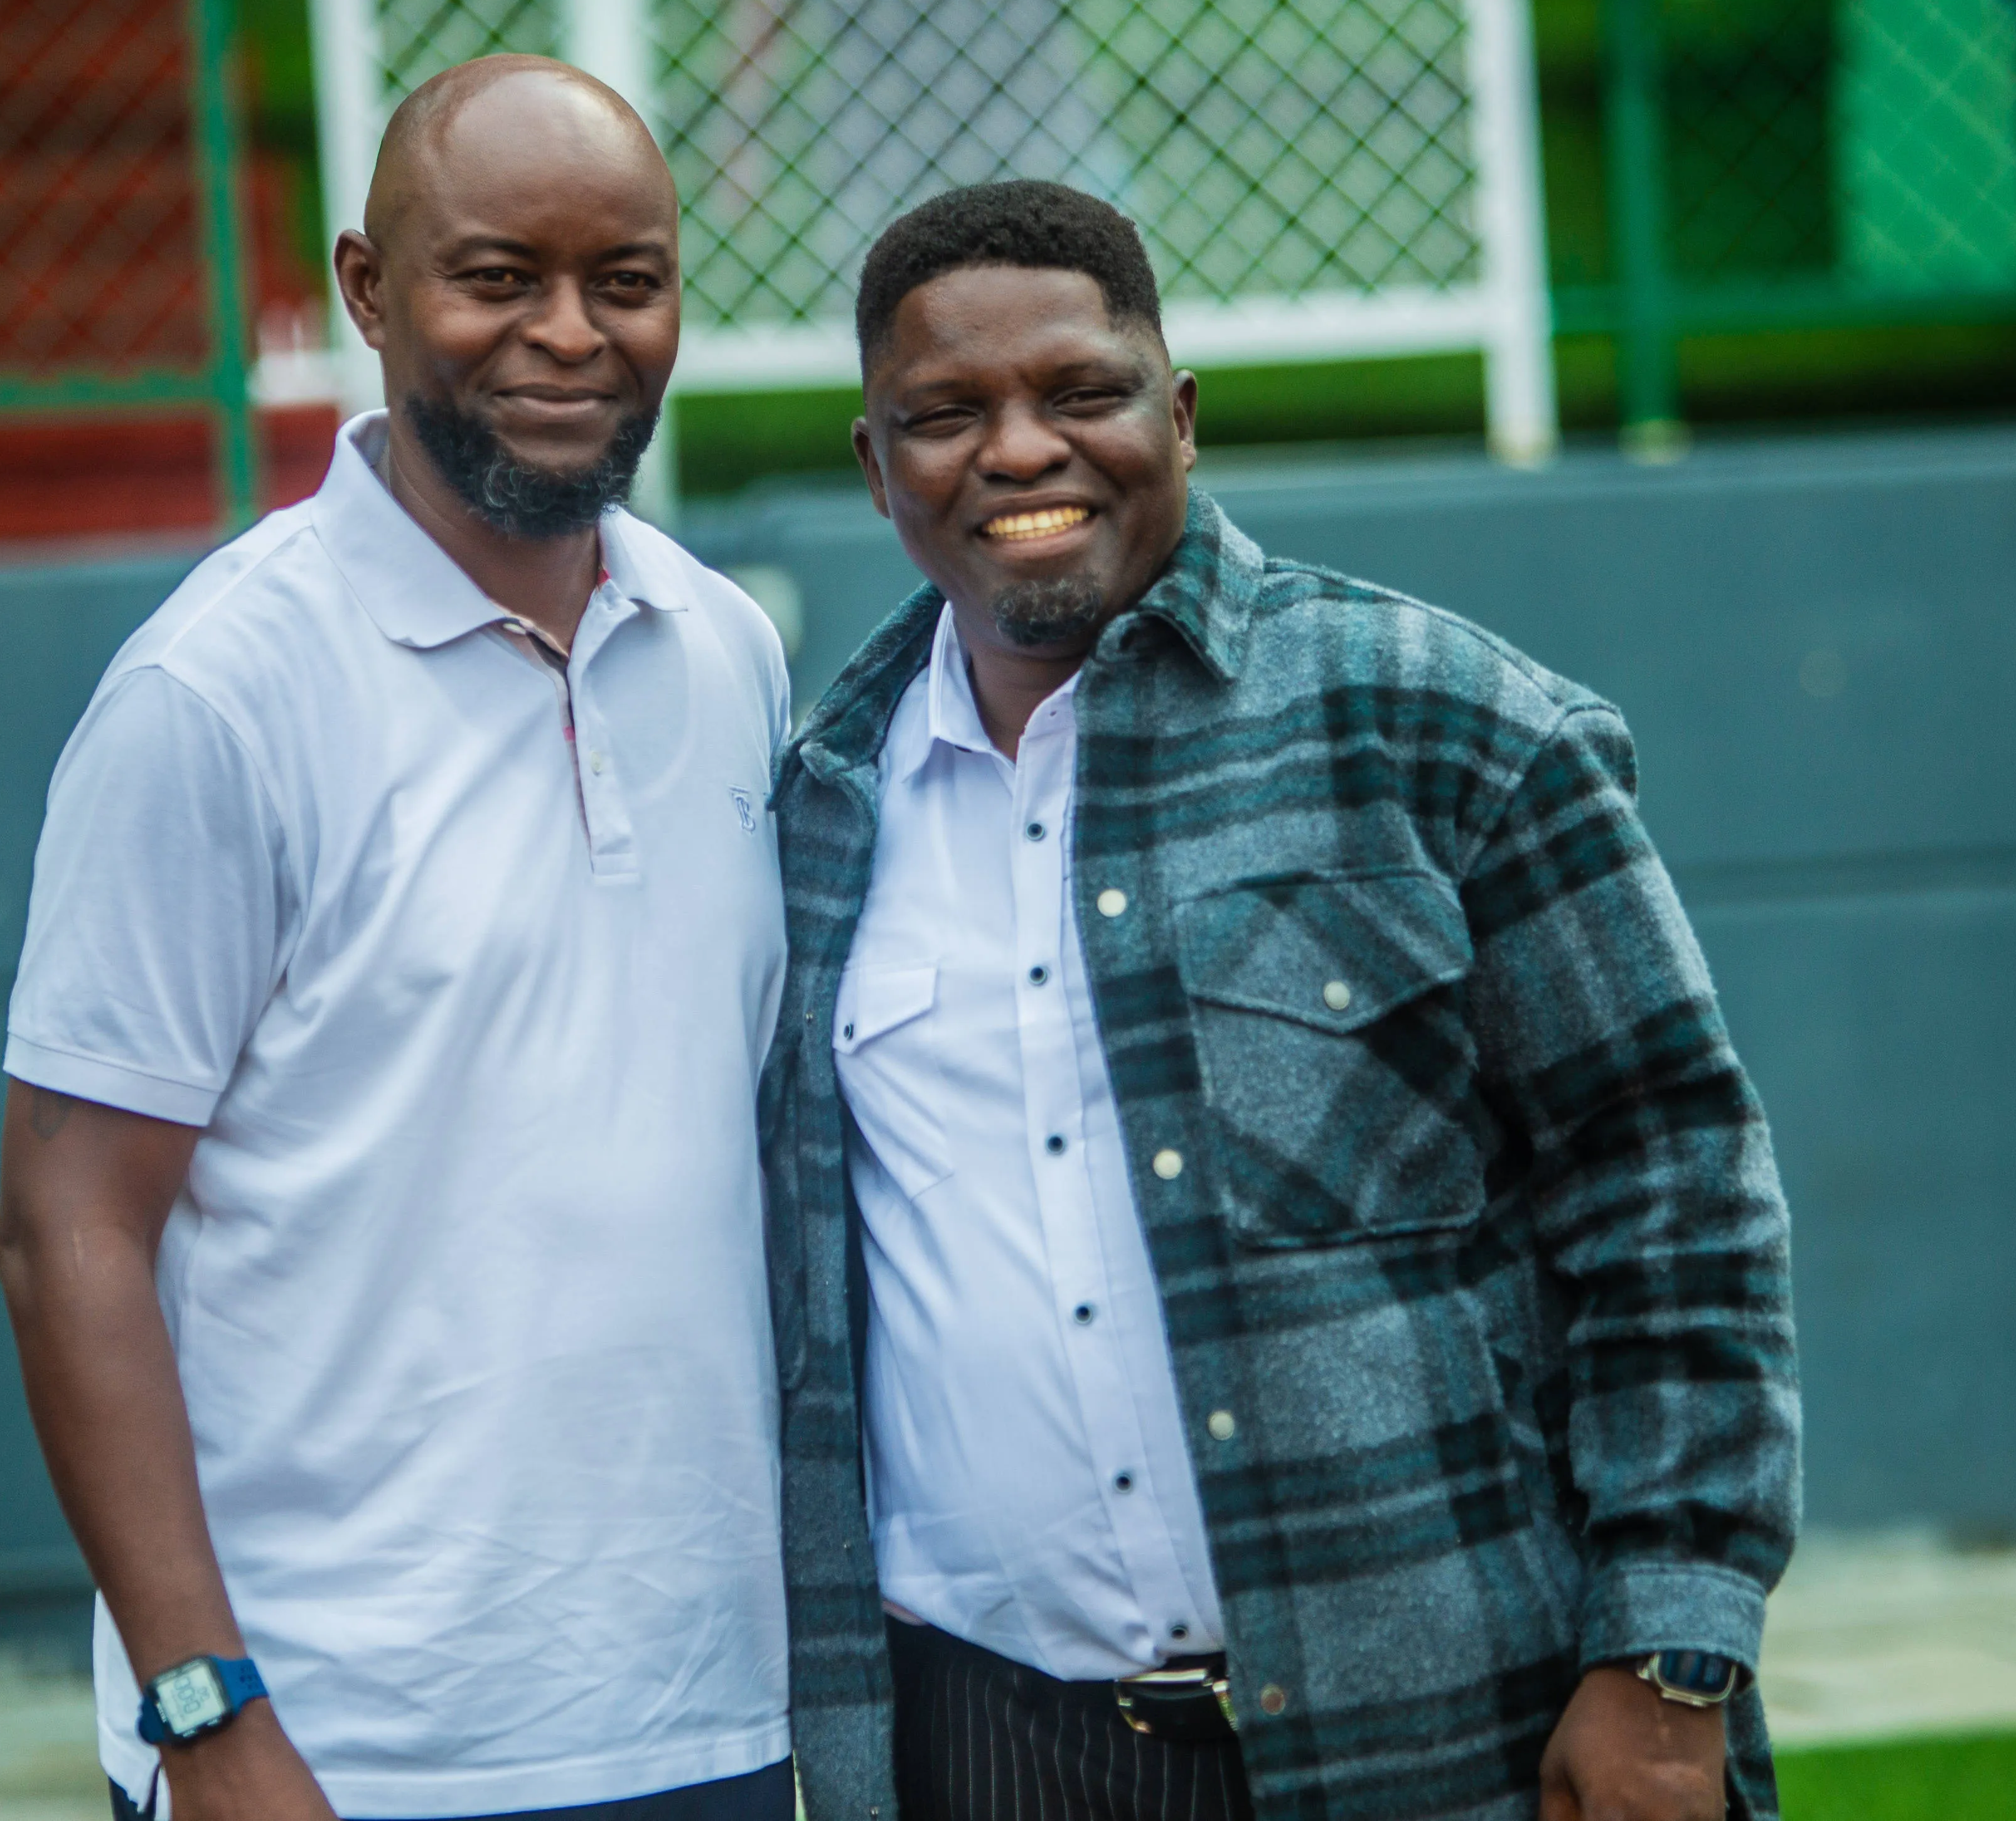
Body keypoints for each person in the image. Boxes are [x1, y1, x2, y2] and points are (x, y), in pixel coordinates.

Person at [760, 181, 1799, 1821]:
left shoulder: (1447, 725)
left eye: (1079, 394)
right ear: (873, 466)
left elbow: (1667, 1189)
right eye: (945, 415)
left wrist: (1667, 1657)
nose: (1018, 451)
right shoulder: (814, 812)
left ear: (1176, 415)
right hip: (991, 1746)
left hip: (1441, 1727)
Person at [0, 56, 796, 1821]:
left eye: (626, 281)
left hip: (703, 1719)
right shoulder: (215, 695)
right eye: (496, 278)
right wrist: (210, 1713)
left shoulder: (725, 652)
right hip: (337, 1746)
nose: (569, 336)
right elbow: (69, 1231)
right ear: (367, 290)